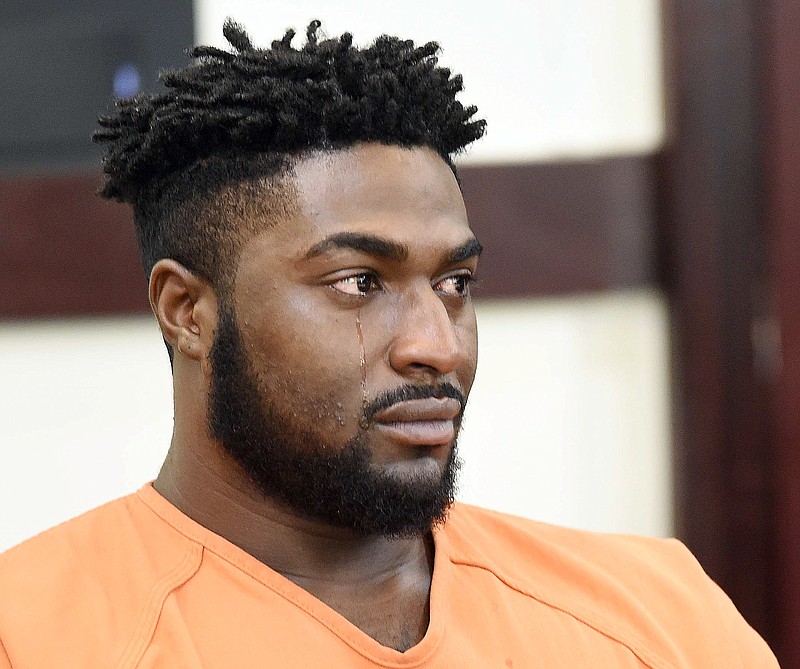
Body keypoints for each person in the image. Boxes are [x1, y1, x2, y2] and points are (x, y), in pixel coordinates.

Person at [0, 20, 779, 668]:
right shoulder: (33, 636)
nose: (438, 347)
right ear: (187, 310)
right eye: (359, 282)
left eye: (456, 284)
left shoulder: (658, 617)